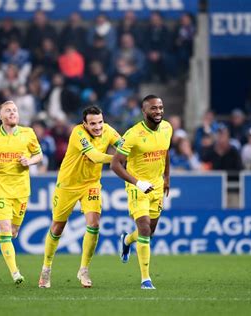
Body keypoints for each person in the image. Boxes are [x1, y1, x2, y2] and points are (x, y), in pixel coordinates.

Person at [38, 105, 122, 289]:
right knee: (58, 227)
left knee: (94, 224)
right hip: (68, 185)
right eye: (93, 124)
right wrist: (117, 159)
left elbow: (123, 146)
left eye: (100, 122)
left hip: (91, 184)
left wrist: (136, 152)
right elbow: (94, 156)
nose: (98, 127)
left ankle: (83, 269)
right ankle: (46, 268)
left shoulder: (108, 130)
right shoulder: (77, 133)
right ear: (84, 124)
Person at [111, 95, 172, 290]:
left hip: (157, 186)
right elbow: (115, 164)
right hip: (137, 187)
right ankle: (146, 279)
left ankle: (127, 239)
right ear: (144, 112)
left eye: (161, 108)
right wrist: (137, 183)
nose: (158, 112)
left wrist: (167, 178)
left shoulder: (167, 128)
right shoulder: (132, 134)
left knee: (149, 232)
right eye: (154, 109)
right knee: (145, 229)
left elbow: (165, 151)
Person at [0, 100, 42, 285]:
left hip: (21, 190)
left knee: (13, 233)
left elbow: (39, 155)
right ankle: (15, 273)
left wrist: (29, 161)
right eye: (8, 110)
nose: (12, 113)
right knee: (6, 231)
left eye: (15, 110)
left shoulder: (28, 133)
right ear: (0, 116)